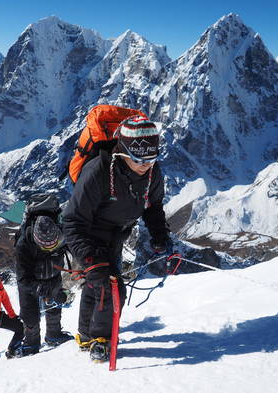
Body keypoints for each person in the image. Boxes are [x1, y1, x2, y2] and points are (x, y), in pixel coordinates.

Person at [63, 114, 171, 362]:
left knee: (96, 283)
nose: (146, 165)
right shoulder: (98, 171)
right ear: (123, 153)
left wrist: (159, 234)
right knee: (110, 285)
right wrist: (91, 259)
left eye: (151, 159)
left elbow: (152, 205)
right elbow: (72, 221)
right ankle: (102, 340)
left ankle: (86, 336)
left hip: (116, 234)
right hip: (87, 234)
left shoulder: (152, 171)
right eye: (139, 159)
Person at [15, 215, 73, 356]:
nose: (50, 249)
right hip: (30, 282)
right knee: (30, 315)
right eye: (46, 246)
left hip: (53, 275)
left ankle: (54, 335)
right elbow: (23, 279)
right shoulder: (23, 246)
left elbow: (75, 247)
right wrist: (49, 291)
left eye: (54, 245)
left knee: (54, 306)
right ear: (37, 240)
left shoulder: (62, 235)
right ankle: (31, 344)